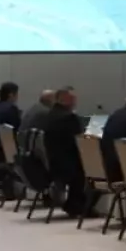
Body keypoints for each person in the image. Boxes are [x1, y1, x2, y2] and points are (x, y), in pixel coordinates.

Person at [42, 86, 87, 216]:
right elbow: (79, 142)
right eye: (72, 99)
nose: (75, 102)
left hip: (52, 163)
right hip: (67, 166)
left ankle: (74, 204)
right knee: (91, 166)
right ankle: (79, 205)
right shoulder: (70, 118)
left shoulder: (50, 114)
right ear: (64, 100)